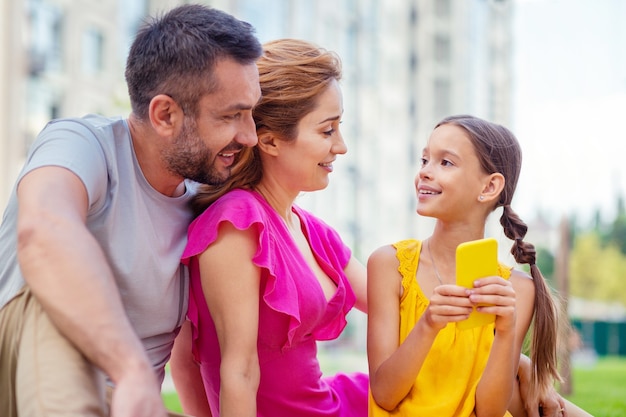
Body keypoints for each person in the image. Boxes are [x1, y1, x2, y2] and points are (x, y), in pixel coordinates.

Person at [0, 4, 262, 417]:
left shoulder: (207, 207)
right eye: (232, 116)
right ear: (165, 115)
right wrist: (131, 369)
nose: (249, 136)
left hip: (127, 407)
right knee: (46, 288)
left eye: (251, 114)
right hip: (24, 381)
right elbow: (43, 231)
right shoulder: (81, 144)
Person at [174, 38, 369, 417]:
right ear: (270, 140)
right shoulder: (237, 222)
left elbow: (396, 303)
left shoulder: (312, 230)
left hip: (335, 405)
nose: (341, 147)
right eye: (327, 131)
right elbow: (232, 370)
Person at [366, 115, 592, 417]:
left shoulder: (516, 290)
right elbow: (384, 395)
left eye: (445, 163)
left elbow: (489, 410)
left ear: (489, 187)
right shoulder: (389, 265)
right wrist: (428, 325)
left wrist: (508, 329)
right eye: (424, 160)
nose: (424, 173)